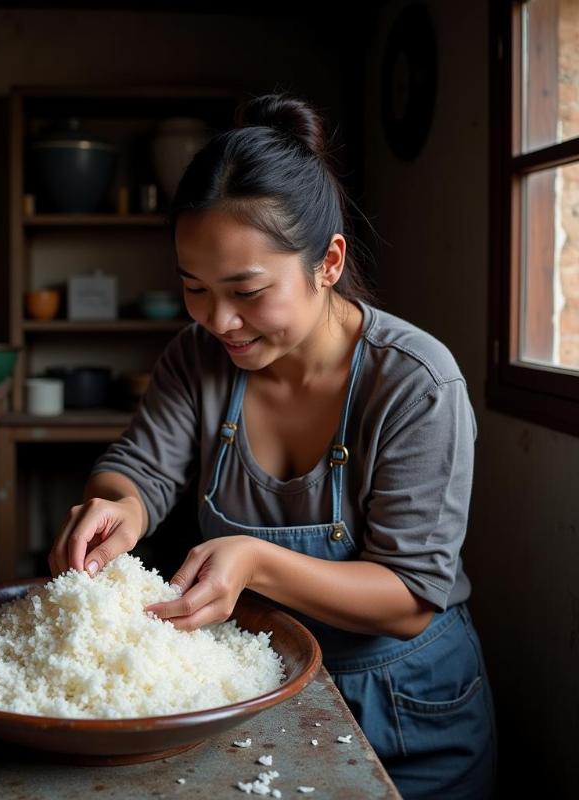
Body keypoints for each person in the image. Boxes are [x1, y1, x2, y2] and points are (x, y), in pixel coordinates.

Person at [48, 93, 496, 799]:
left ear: (328, 262)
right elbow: (138, 470)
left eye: (247, 291)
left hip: (407, 709)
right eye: (194, 288)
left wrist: (255, 559)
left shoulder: (416, 382)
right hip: (255, 686)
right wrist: (117, 510)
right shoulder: (198, 357)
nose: (219, 319)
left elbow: (411, 593)